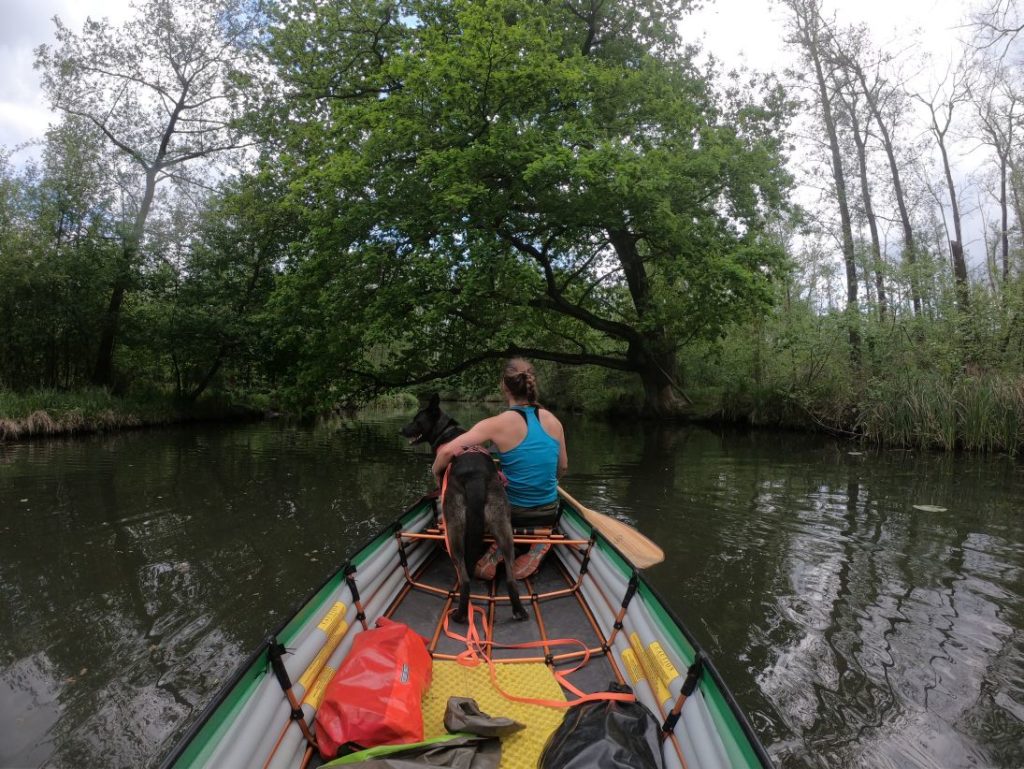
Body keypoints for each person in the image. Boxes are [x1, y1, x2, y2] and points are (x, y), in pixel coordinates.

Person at [431, 357, 568, 580]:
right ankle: (538, 544)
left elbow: (446, 453)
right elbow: (562, 468)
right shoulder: (554, 421)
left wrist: (436, 473)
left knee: (466, 503)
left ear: (504, 385)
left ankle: (497, 548)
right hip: (548, 511)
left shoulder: (496, 423)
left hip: (509, 514)